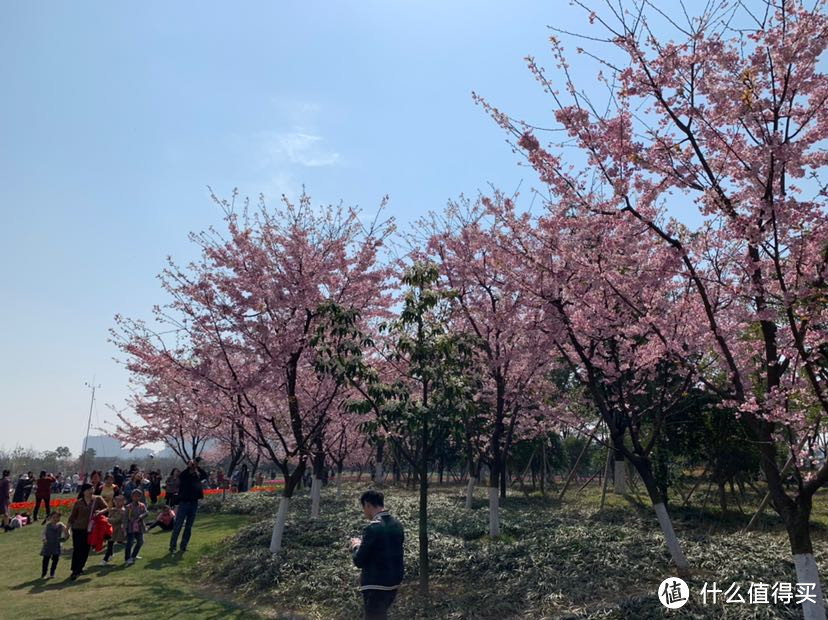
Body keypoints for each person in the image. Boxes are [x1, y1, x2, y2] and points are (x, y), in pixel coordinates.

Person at [350, 490, 405, 620]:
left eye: (364, 507)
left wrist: (356, 546)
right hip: (393, 582)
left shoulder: (372, 528)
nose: (364, 512)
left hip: (375, 584)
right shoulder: (397, 525)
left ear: (368, 505)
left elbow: (359, 560)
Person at [66, 483, 107, 580]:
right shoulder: (78, 503)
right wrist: (67, 529)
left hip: (90, 530)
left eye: (92, 489)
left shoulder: (97, 499)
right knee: (77, 549)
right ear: (83, 491)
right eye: (88, 489)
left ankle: (80, 567)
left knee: (85, 549)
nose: (90, 491)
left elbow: (107, 508)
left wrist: (100, 512)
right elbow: (72, 517)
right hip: (77, 529)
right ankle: (75, 570)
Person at [169, 459, 207, 554]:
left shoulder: (197, 476)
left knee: (189, 526)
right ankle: (173, 546)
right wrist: (189, 466)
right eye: (191, 464)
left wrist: (197, 467)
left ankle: (183, 546)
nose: (193, 466)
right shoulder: (184, 475)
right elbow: (182, 475)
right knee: (178, 525)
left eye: (194, 464)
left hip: (194, 503)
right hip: (184, 503)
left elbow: (205, 475)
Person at [40, 511, 68, 579]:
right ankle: (44, 574)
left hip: (56, 545)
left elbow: (66, 531)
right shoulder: (48, 525)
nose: (55, 519)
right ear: (50, 518)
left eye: (57, 517)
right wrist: (44, 539)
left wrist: (65, 537)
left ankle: (52, 573)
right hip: (48, 545)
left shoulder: (61, 525)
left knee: (55, 560)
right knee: (46, 560)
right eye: (54, 517)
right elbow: (43, 533)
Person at [124, 489, 148, 565]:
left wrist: (142, 516)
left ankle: (134, 555)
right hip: (131, 527)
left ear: (140, 497)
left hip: (140, 526)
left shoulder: (142, 505)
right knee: (130, 543)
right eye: (135, 496)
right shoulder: (128, 507)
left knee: (140, 541)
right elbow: (125, 518)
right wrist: (125, 528)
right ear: (132, 497)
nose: (136, 497)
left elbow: (146, 513)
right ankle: (127, 558)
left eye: (138, 496)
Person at [102, 494, 126, 566]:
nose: (117, 503)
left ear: (123, 502)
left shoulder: (122, 511)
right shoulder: (113, 509)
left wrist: (106, 519)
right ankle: (109, 556)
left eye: (119, 501)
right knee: (110, 543)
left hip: (119, 530)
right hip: (112, 529)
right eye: (116, 501)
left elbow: (116, 520)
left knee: (114, 543)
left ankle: (105, 559)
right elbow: (110, 516)